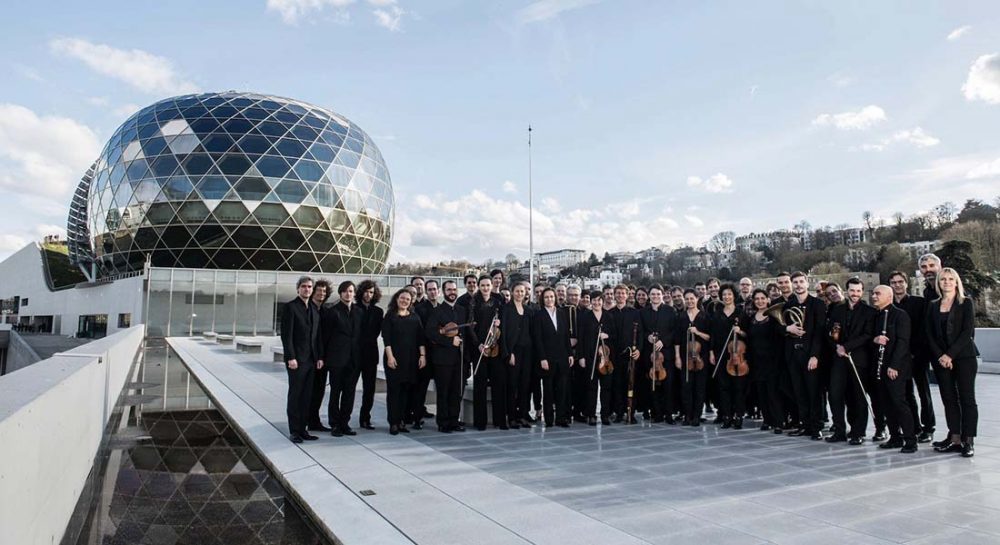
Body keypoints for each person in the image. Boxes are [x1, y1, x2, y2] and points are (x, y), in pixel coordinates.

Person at [927, 268, 979, 457]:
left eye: (951, 279)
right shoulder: (933, 305)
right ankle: (954, 437)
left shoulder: (966, 303)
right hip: (941, 360)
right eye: (943, 279)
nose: (947, 282)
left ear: (956, 282)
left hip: (964, 357)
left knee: (967, 399)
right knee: (949, 399)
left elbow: (968, 332)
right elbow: (929, 334)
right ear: (939, 283)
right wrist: (941, 355)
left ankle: (968, 440)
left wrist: (950, 355)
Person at [825, 277, 875, 445]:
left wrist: (846, 347)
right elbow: (830, 332)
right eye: (852, 291)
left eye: (858, 291)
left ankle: (858, 432)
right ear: (847, 291)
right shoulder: (837, 310)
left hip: (859, 360)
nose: (855, 294)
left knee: (858, 397)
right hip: (839, 359)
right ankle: (839, 430)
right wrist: (836, 346)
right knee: (835, 394)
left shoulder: (869, 311)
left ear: (862, 292)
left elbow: (867, 335)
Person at [889, 271, 935, 443]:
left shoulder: (919, 303)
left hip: (918, 355)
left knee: (924, 392)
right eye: (893, 282)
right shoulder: (890, 306)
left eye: (900, 281)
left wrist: (917, 351)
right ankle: (914, 426)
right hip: (899, 358)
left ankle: (928, 427)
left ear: (906, 283)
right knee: (907, 394)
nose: (897, 285)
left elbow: (924, 330)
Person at [871, 285, 917, 453]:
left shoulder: (900, 315)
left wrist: (894, 365)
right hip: (879, 367)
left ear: (889, 296)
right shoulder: (876, 316)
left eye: (878, 294)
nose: (874, 296)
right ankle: (895, 437)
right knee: (886, 403)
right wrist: (875, 340)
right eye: (873, 293)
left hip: (895, 367)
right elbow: (870, 338)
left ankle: (910, 440)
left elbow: (903, 342)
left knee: (899, 403)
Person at [783, 272, 827, 440]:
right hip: (793, 354)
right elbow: (777, 327)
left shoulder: (817, 304)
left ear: (807, 283)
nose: (799, 285)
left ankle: (816, 427)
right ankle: (805, 425)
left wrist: (815, 355)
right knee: (799, 392)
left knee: (813, 391)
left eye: (801, 282)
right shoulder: (788, 305)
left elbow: (819, 332)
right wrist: (788, 329)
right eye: (795, 282)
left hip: (810, 354)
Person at [280, 276, 322, 443]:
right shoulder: (291, 307)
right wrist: (291, 357)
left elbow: (317, 336)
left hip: (311, 360)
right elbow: (286, 335)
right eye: (304, 286)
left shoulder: (313, 308)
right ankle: (294, 431)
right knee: (295, 395)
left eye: (310, 287)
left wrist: (319, 357)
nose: (307, 289)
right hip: (296, 360)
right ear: (298, 289)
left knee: (307, 396)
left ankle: (303, 429)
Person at [425, 280, 468, 433]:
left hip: (460, 359)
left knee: (457, 391)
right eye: (449, 290)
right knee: (443, 391)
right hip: (442, 359)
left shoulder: (462, 310)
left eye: (454, 289)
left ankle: (454, 420)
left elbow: (466, 334)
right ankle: (443, 422)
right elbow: (430, 333)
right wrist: (450, 341)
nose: (452, 292)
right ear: (443, 292)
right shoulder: (437, 311)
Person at [382, 289, 426, 435]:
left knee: (405, 392)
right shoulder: (390, 316)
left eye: (407, 299)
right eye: (402, 298)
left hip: (411, 359)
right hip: (394, 359)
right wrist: (390, 357)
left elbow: (420, 338)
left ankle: (402, 421)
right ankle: (393, 423)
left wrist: (422, 356)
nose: (404, 301)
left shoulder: (415, 317)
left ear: (411, 301)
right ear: (397, 299)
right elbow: (386, 339)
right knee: (394, 391)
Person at [322, 281, 363, 437]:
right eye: (345, 291)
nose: (348, 293)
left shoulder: (359, 312)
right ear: (340, 293)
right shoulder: (332, 312)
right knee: (335, 393)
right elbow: (326, 337)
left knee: (349, 393)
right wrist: (325, 358)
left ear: (354, 293)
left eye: (351, 291)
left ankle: (345, 423)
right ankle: (334, 424)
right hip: (336, 360)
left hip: (354, 360)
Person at [532, 287, 575, 427]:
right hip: (547, 358)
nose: (549, 299)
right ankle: (549, 419)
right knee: (548, 390)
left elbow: (566, 336)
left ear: (555, 298)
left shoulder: (562, 313)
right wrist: (542, 358)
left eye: (551, 296)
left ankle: (561, 418)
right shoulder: (538, 315)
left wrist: (570, 354)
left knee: (562, 389)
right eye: (546, 297)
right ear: (542, 300)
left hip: (562, 357)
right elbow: (537, 339)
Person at [745, 288, 784, 432]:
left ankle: (779, 422)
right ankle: (767, 420)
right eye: (757, 299)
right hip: (757, 360)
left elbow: (779, 334)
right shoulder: (751, 318)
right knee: (761, 392)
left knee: (773, 392)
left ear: (768, 299)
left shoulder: (773, 316)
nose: (760, 301)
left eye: (762, 298)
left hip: (772, 360)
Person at [470, 275, 506, 430]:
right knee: (480, 386)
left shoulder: (499, 301)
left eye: (488, 285)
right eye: (483, 285)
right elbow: (471, 326)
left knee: (499, 385)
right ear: (479, 286)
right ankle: (480, 422)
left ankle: (500, 420)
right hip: (479, 349)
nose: (485, 288)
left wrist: (500, 322)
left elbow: (505, 323)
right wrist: (478, 344)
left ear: (492, 286)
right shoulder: (473, 302)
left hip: (495, 349)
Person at [710, 284, 747, 429]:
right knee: (723, 386)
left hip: (736, 355)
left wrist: (740, 331)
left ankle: (738, 415)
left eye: (729, 294)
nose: (726, 297)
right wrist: (712, 352)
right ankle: (727, 415)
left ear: (734, 295)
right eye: (724, 294)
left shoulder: (740, 313)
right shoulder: (717, 313)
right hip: (720, 354)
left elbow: (747, 334)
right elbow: (712, 334)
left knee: (738, 387)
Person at [639, 285, 676, 423]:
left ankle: (669, 414)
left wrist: (664, 341)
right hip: (650, 354)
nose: (655, 296)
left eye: (658, 294)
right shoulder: (643, 312)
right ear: (649, 296)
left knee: (668, 386)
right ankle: (657, 413)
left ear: (662, 295)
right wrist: (648, 337)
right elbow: (641, 331)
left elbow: (674, 331)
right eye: (653, 294)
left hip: (666, 353)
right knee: (653, 385)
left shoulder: (670, 311)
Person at [675, 289, 711, 427]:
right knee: (686, 387)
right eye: (687, 299)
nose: (690, 301)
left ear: (697, 299)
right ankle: (687, 415)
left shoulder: (705, 316)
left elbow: (709, 337)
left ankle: (696, 415)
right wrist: (678, 357)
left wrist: (697, 332)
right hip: (685, 357)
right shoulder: (681, 317)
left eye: (692, 298)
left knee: (700, 387)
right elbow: (677, 339)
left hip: (701, 357)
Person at [579, 290, 614, 425]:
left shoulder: (608, 316)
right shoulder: (585, 317)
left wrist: (607, 336)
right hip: (590, 356)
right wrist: (581, 356)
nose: (597, 302)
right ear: (591, 301)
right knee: (591, 388)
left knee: (606, 388)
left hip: (605, 359)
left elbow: (615, 335)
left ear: (602, 301)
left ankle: (605, 415)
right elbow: (581, 338)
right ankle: (591, 414)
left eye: (599, 300)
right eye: (594, 300)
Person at [501, 282, 532, 429]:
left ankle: (523, 415)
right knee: (512, 385)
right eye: (517, 291)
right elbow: (504, 333)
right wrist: (509, 352)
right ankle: (512, 417)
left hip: (527, 352)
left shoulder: (528, 310)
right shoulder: (506, 309)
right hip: (514, 351)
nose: (520, 293)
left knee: (525, 385)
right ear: (512, 292)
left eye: (523, 291)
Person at [609, 284, 641, 423]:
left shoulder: (635, 313)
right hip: (615, 355)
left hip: (630, 356)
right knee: (617, 385)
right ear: (614, 295)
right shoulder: (610, 313)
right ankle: (619, 412)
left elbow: (640, 334)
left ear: (627, 295)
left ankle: (631, 412)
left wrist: (639, 349)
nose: (621, 295)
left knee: (631, 384)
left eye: (623, 293)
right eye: (618, 293)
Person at [356, 280, 384, 430]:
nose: (368, 295)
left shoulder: (378, 312)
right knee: (348, 388)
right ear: (361, 292)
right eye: (366, 291)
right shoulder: (354, 308)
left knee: (369, 389)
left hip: (371, 354)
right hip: (355, 354)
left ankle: (365, 418)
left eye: (371, 292)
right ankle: (343, 419)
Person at [412, 279, 440, 428]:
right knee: (420, 388)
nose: (432, 292)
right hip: (426, 354)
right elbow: (420, 333)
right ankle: (417, 418)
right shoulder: (420, 309)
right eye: (429, 289)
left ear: (439, 291)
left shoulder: (444, 308)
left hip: (441, 355)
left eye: (434, 289)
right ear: (426, 292)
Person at [305, 280, 332, 432]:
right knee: (308, 390)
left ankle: (314, 420)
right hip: (309, 357)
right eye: (319, 290)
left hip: (323, 358)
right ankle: (305, 419)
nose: (321, 293)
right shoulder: (307, 309)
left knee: (319, 391)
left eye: (324, 291)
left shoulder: (327, 311)